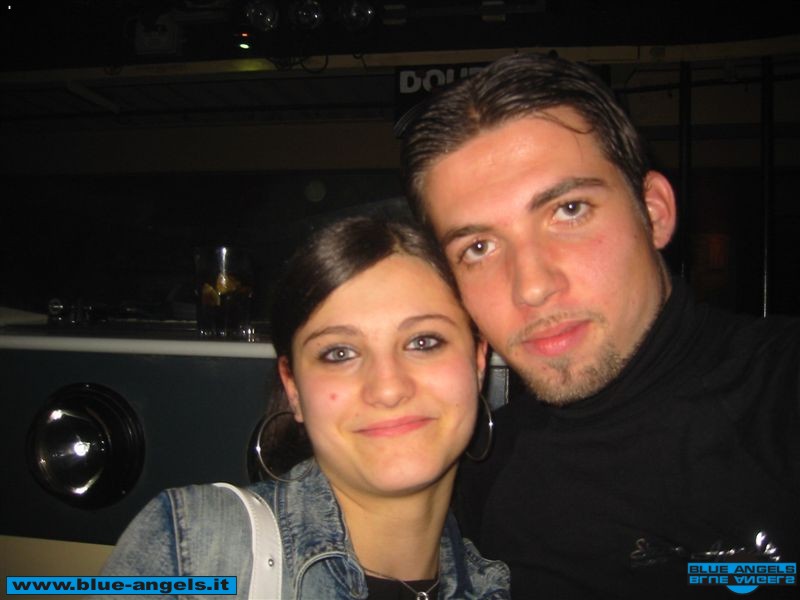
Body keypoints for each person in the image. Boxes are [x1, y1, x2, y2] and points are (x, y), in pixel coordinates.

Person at [401, 52, 800, 598]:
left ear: (653, 212)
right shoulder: (466, 482)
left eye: (569, 211)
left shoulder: (783, 391)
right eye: (479, 247)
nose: (531, 286)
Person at [100, 216, 510, 599]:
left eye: (423, 342)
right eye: (339, 353)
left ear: (478, 361)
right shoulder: (194, 549)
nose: (387, 388)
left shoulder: (496, 584)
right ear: (293, 387)